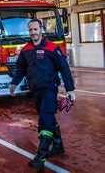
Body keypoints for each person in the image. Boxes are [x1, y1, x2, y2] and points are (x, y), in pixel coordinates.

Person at [9, 19, 76, 171]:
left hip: (49, 90)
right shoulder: (26, 50)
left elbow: (64, 68)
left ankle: (41, 156)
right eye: (31, 30)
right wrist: (14, 83)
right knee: (48, 118)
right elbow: (20, 68)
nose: (33, 32)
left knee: (44, 120)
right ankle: (58, 146)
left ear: (42, 29)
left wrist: (70, 90)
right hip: (35, 91)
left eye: (35, 29)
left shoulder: (53, 48)